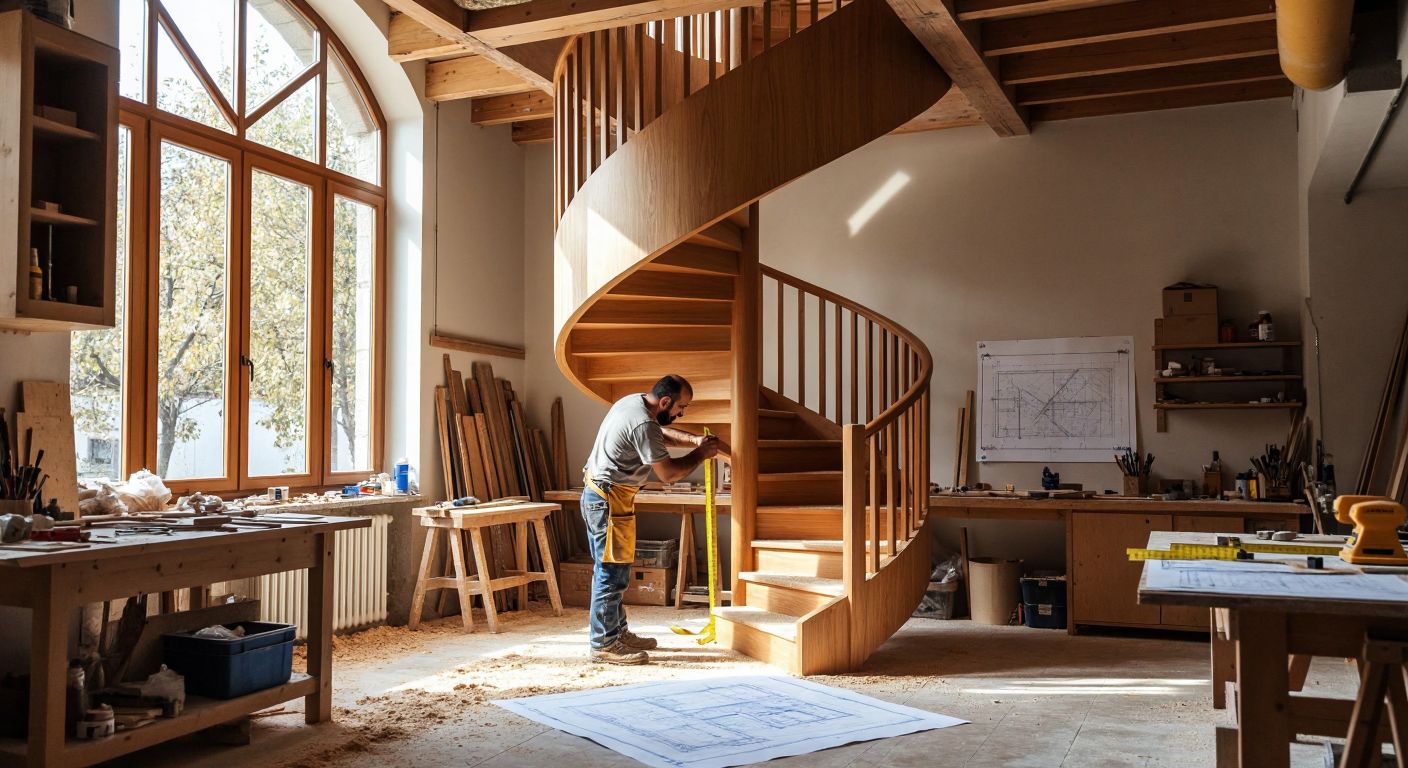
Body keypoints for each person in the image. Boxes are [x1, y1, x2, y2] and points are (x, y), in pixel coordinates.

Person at [581, 374, 728, 664]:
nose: (681, 413)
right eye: (680, 408)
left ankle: (617, 632)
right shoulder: (644, 423)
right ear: (665, 401)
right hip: (608, 499)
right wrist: (700, 453)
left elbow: (660, 432)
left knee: (617, 570)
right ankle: (603, 644)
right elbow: (669, 474)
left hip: (606, 495)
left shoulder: (633, 402)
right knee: (611, 572)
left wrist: (693, 439)